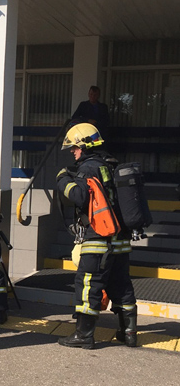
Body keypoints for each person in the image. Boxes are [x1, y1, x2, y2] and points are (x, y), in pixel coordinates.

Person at [56, 122, 137, 349]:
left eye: (74, 147)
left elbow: (79, 197)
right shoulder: (112, 165)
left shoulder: (89, 168)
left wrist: (62, 179)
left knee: (87, 284)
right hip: (120, 241)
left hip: (99, 239)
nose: (72, 152)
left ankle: (83, 335)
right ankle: (129, 333)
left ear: (84, 145)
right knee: (121, 286)